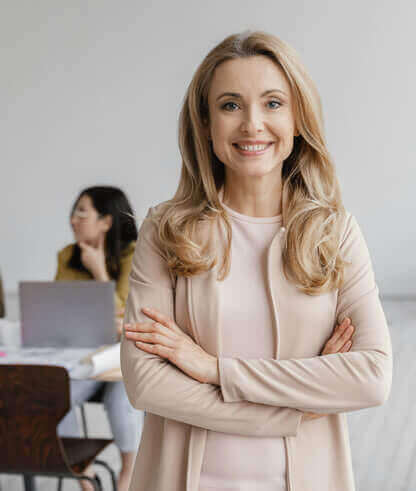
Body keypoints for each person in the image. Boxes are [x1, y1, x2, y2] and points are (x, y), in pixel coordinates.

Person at [120, 30, 393, 491]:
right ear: (205, 123)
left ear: (298, 119)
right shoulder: (165, 231)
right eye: (230, 105)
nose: (252, 125)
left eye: (272, 103)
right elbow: (146, 383)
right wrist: (302, 405)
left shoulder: (335, 232)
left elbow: (370, 377)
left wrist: (214, 369)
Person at [55, 186, 143, 491]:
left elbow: (126, 314)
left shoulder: (135, 255)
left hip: (120, 358)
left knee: (123, 399)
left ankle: (128, 475)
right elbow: (57, 308)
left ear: (106, 221)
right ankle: (86, 477)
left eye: (82, 211)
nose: (73, 219)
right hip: (81, 356)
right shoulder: (67, 256)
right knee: (53, 396)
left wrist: (99, 271)